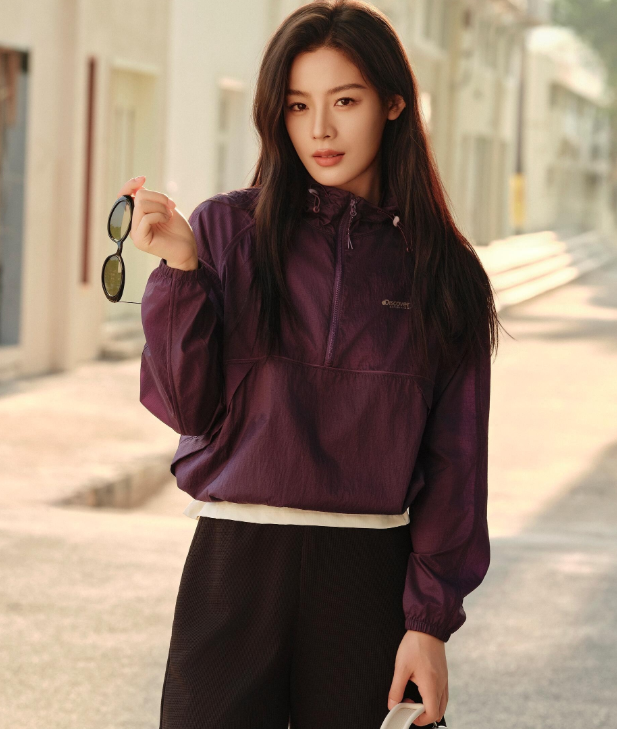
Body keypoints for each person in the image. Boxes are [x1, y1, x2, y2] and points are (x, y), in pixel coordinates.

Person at [123, 2, 502, 727]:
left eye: (345, 102)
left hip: (367, 580)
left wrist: (428, 623)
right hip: (233, 567)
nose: (320, 130)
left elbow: (457, 464)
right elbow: (183, 405)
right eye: (298, 105)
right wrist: (180, 271)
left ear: (393, 104)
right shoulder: (226, 231)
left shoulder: (443, 272)